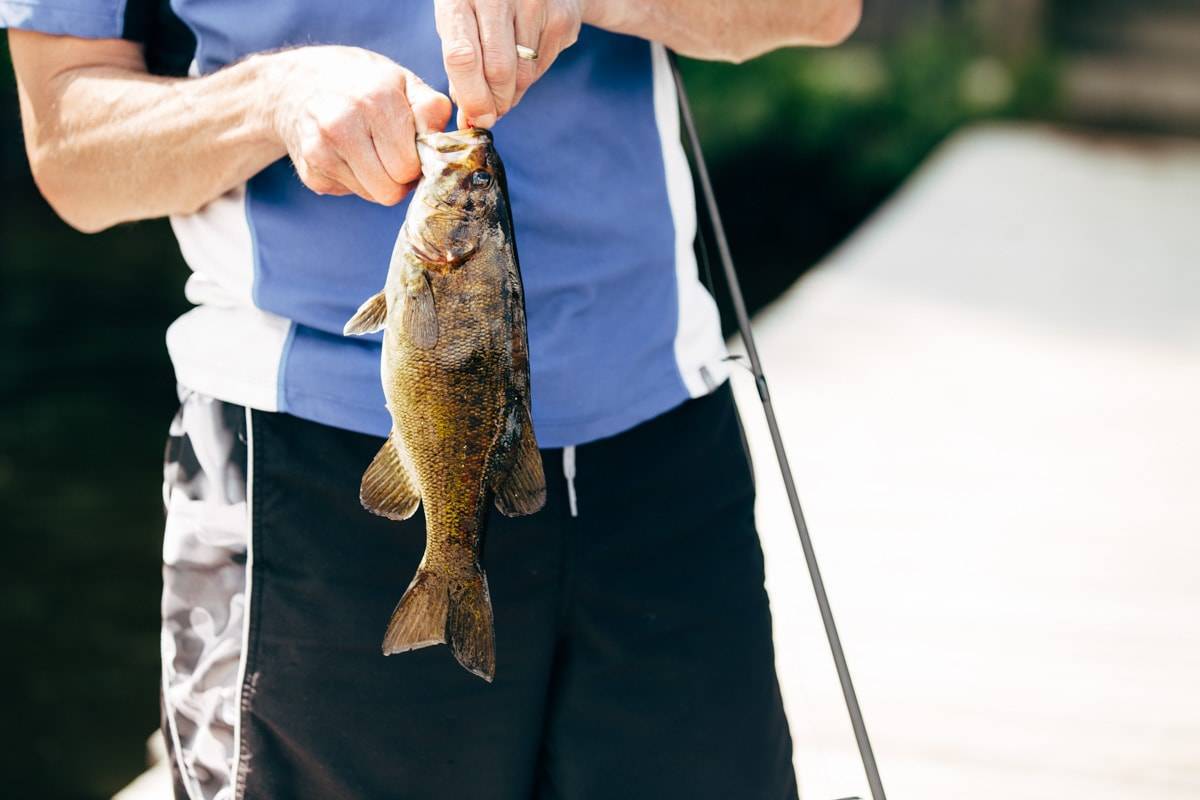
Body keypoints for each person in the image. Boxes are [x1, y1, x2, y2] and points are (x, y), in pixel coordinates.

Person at [4, 0, 860, 797]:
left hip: (664, 443)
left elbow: (825, 11)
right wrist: (274, 97)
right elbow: (69, 150)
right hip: (307, 470)